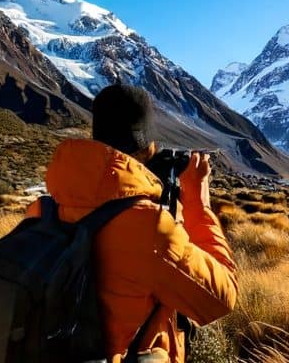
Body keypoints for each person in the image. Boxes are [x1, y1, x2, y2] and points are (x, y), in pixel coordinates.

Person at [25, 84, 238, 363]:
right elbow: (222, 298)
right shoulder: (150, 227)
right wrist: (199, 204)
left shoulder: (41, 211)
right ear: (147, 144)